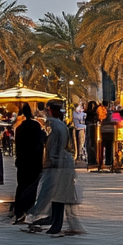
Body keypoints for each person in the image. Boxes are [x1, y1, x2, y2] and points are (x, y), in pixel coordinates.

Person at [23, 101, 83, 237]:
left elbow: (54, 147)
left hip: (58, 165)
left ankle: (54, 224)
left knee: (56, 195)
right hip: (61, 164)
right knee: (58, 195)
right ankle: (54, 223)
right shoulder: (59, 125)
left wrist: (51, 161)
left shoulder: (54, 125)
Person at [11, 103, 45, 223]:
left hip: (22, 160)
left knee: (21, 185)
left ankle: (19, 209)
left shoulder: (19, 128)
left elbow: (18, 146)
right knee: (32, 185)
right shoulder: (36, 126)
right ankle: (28, 208)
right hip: (34, 160)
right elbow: (40, 143)